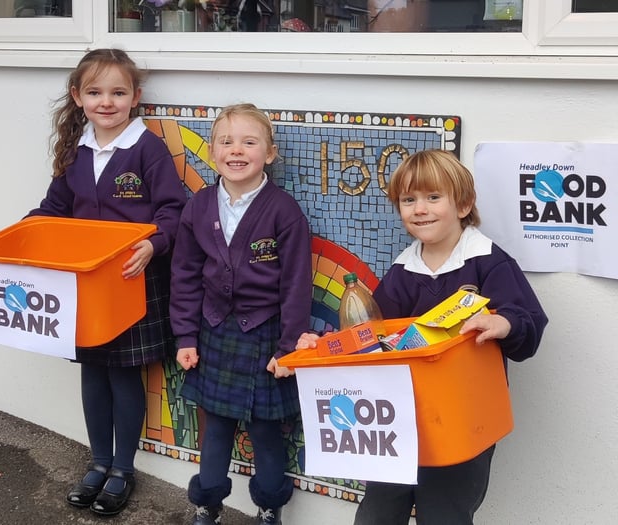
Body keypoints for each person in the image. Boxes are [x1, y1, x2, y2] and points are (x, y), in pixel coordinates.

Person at [297, 149, 548, 525]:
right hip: (399, 418)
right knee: (377, 513)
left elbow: (529, 325)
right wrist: (324, 346)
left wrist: (504, 324)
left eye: (433, 197)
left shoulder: (489, 262)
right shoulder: (402, 271)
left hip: (464, 421)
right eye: (409, 200)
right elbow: (373, 338)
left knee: (445, 513)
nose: (420, 209)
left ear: (463, 204)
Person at [26, 48, 187, 516]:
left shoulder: (147, 149)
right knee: (92, 371)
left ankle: (122, 469)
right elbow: (52, 210)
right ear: (78, 97)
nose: (106, 102)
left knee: (122, 374)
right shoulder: (74, 152)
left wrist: (153, 244)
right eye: (95, 92)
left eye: (118, 92)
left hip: (131, 281)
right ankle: (97, 463)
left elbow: (173, 212)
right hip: (85, 286)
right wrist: (19, 243)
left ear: (135, 97)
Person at [169, 103, 312, 525]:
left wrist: (288, 348)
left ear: (269, 153)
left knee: (267, 431)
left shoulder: (284, 211)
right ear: (213, 152)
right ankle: (207, 503)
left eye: (249, 142)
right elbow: (184, 276)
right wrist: (186, 337)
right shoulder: (197, 207)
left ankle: (270, 506)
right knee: (216, 429)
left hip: (266, 338)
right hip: (213, 334)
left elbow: (296, 285)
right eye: (226, 142)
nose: (236, 150)